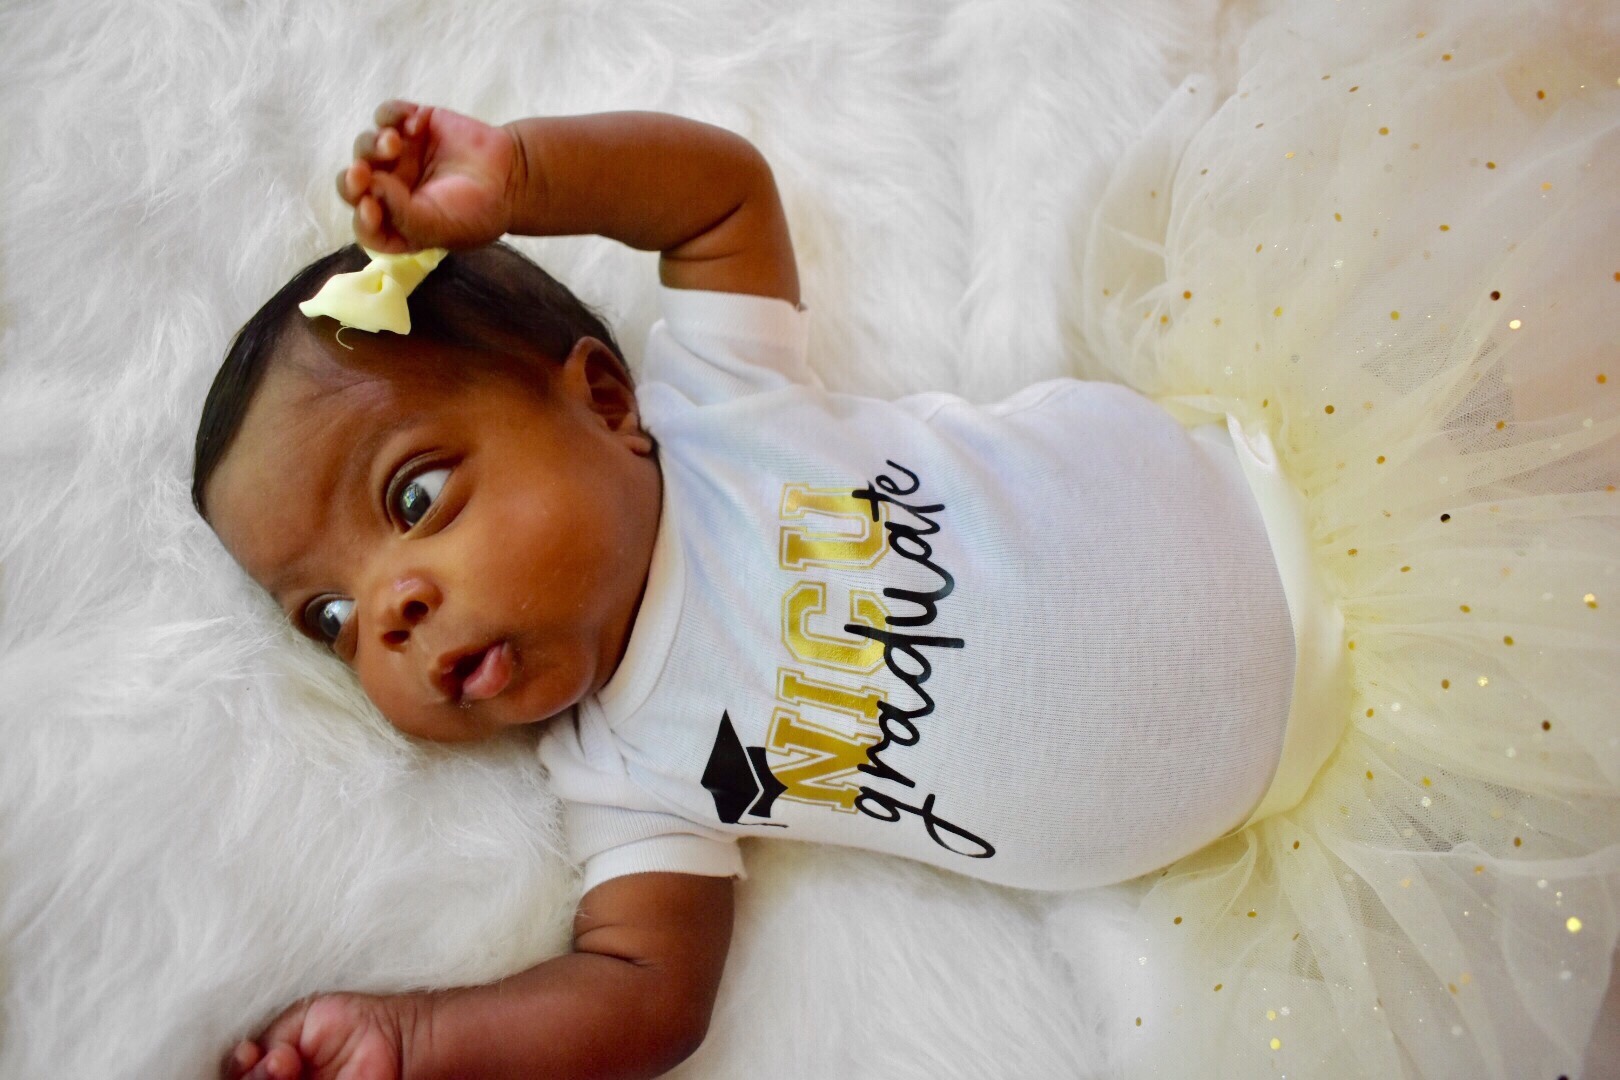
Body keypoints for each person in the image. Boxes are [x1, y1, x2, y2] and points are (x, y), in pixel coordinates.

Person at [202, 3, 1620, 1076]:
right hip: (1322, 811)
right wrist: (418, 1038)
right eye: (326, 619)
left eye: (411, 500)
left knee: (1536, 405)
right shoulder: (627, 780)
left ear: (605, 401)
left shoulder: (717, 410)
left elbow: (720, 196)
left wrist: (520, 175)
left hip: (1316, 504)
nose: (386, 613)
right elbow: (645, 998)